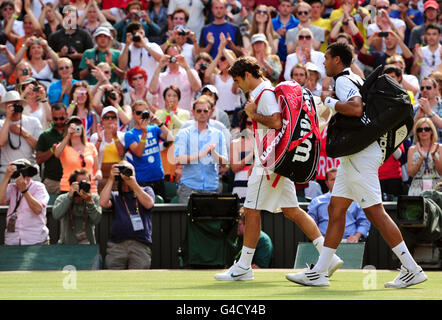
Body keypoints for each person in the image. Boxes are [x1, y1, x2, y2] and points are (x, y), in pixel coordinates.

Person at [288, 42, 427, 288]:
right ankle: (320, 271)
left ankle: (412, 268)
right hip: (355, 156)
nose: (323, 63)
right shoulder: (351, 77)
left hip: (361, 156)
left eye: (327, 58)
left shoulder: (342, 81)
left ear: (338, 61)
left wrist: (328, 102)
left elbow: (355, 108)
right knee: (336, 209)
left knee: (375, 213)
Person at [215, 56, 343, 281]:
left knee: (252, 209)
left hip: (269, 163)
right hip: (275, 161)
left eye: (238, 80)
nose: (237, 85)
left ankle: (244, 266)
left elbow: (275, 121)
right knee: (292, 210)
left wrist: (252, 114)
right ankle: (327, 255)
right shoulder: (263, 92)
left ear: (247, 75)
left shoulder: (264, 94)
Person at [99, 161, 155, 269]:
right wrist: (111, 179)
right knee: (114, 279)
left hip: (140, 244)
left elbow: (149, 204)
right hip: (117, 245)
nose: (126, 174)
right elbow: (103, 203)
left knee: (138, 279)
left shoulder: (146, 190)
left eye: (129, 171)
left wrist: (133, 184)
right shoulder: (115, 195)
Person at [174, 95, 228, 204]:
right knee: (186, 221)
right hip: (189, 187)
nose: (202, 113)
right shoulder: (185, 133)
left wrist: (213, 153)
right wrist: (201, 154)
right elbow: (179, 159)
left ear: (210, 112)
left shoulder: (218, 134)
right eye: (199, 111)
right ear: (193, 112)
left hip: (212, 187)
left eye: (205, 111)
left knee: (210, 221)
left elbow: (225, 163)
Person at [125, 100, 174, 200]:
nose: (141, 116)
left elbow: (171, 138)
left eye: (144, 113)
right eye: (138, 113)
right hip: (142, 180)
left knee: (160, 211)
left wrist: (158, 122)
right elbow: (138, 153)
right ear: (133, 114)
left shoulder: (154, 128)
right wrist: (144, 133)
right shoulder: (129, 134)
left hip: (158, 178)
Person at [308, 167, 371, 242]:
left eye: (339, 179)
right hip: (323, 242)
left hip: (349, 243)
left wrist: (356, 236)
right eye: (332, 179)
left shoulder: (356, 201)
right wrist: (319, 238)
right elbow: (310, 224)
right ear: (327, 183)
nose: (336, 182)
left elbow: (364, 222)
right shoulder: (317, 202)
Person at [0, 159, 49, 245]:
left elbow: (38, 209)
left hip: (35, 240)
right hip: (12, 240)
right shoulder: (11, 187)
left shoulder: (38, 187)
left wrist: (24, 191)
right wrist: (7, 176)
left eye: (25, 172)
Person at [0, 91, 42, 183]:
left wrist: (23, 132)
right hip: (8, 174)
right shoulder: (1, 123)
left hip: (29, 173)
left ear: (22, 105)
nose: (15, 106)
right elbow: (1, 142)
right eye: (11, 104)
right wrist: (8, 119)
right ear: (6, 106)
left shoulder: (33, 121)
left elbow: (38, 147)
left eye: (17, 103)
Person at [52, 168, 102, 244]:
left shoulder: (94, 198)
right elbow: (56, 215)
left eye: (87, 183)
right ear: (73, 184)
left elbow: (97, 220)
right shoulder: (63, 198)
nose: (84, 185)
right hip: (66, 245)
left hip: (88, 246)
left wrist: (90, 202)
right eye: (81, 183)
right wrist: (69, 197)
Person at [54, 115, 101, 195]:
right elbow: (57, 154)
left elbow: (97, 169)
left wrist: (98, 174)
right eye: (72, 125)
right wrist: (68, 135)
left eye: (78, 125)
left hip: (89, 188)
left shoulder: (90, 146)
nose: (76, 127)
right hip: (68, 188)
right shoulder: (63, 146)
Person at [149, 43, 202, 111]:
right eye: (171, 57)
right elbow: (152, 90)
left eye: (176, 56)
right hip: (166, 117)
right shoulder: (160, 76)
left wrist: (186, 66)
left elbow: (197, 88)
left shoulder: (190, 73)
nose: (173, 59)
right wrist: (159, 67)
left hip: (185, 117)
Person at [47, 5, 94, 79]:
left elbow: (92, 55)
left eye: (72, 17)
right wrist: (60, 54)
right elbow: (47, 56)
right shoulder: (55, 36)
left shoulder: (84, 35)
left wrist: (77, 55)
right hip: (59, 77)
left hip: (79, 76)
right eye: (67, 16)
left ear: (77, 18)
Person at [155, 85, 190, 181]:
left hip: (179, 150)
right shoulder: (159, 113)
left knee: (177, 179)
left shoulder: (185, 113)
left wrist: (171, 114)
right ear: (164, 98)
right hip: (163, 150)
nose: (171, 98)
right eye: (169, 95)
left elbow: (182, 126)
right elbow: (157, 129)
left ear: (178, 98)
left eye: (174, 96)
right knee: (164, 178)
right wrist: (166, 113)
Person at [205, 33, 241, 117]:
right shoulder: (216, 77)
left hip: (234, 114)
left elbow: (236, 67)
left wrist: (223, 49)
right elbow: (207, 74)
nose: (219, 62)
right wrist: (219, 54)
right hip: (218, 115)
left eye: (223, 59)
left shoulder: (236, 77)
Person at [91, 106, 126, 192]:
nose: (110, 119)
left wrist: (115, 137)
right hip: (101, 180)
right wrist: (99, 140)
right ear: (102, 120)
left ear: (117, 120)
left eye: (113, 117)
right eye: (107, 117)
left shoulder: (122, 136)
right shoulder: (95, 136)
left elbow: (122, 154)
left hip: (118, 180)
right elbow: (92, 155)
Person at [118, 21, 164, 87]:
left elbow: (162, 60)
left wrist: (145, 46)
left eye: (141, 33)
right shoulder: (127, 48)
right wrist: (127, 45)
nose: (138, 35)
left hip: (151, 86)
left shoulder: (153, 46)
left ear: (144, 33)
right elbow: (121, 66)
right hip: (134, 88)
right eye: (135, 33)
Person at [35, 103, 67, 196]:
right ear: (52, 117)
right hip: (52, 182)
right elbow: (38, 159)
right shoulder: (45, 135)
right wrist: (52, 151)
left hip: (70, 180)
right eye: (55, 119)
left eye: (62, 118)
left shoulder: (73, 133)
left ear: (67, 115)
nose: (59, 121)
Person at [407, 118, 442, 196]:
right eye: (420, 129)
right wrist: (421, 158)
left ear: (431, 131)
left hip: (436, 188)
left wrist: (434, 156)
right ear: (417, 133)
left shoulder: (439, 148)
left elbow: (441, 172)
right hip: (417, 188)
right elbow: (411, 173)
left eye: (426, 129)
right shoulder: (412, 149)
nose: (423, 132)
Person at [230, 110, 254, 201]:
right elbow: (234, 168)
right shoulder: (235, 143)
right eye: (249, 123)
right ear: (243, 124)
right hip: (240, 185)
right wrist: (251, 154)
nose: (252, 126)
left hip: (258, 185)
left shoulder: (264, 142)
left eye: (255, 123)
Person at [413, 77, 442, 142]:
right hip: (418, 149)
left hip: (439, 149)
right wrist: (417, 117)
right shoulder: (415, 108)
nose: (425, 90)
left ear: (436, 90)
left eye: (428, 87)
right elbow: (408, 133)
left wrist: (429, 112)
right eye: (422, 88)